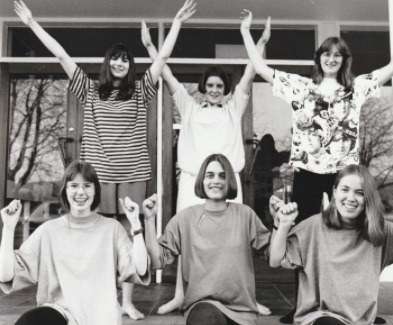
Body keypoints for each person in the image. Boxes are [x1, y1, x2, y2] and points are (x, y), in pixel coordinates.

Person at [14, 0, 196, 319]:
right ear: (107, 63)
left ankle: (125, 300)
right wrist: (31, 23)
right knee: (97, 235)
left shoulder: (142, 91)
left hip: (132, 172)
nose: (120, 63)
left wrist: (177, 23)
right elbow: (61, 55)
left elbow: (164, 57)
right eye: (115, 58)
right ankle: (102, 296)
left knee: (129, 233)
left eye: (125, 59)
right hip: (96, 175)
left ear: (130, 65)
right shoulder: (90, 90)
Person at [240, 2, 393, 322]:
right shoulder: (301, 87)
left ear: (344, 60)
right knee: (302, 238)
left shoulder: (356, 89)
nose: (332, 58)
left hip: (343, 175)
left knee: (354, 236)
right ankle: (303, 306)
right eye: (326, 53)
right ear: (319, 59)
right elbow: (262, 70)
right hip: (307, 173)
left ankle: (358, 307)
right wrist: (247, 35)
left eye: (338, 54)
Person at [141, 17, 272, 315]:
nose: (214, 89)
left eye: (219, 85)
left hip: (227, 183)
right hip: (191, 182)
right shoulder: (188, 106)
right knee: (188, 241)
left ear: (225, 88)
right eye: (210, 85)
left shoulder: (233, 107)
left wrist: (261, 43)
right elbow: (168, 74)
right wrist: (150, 46)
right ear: (203, 87)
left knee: (237, 241)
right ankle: (180, 296)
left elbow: (251, 72)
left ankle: (247, 298)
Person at [269, 165, 393, 325]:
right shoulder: (313, 226)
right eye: (345, 190)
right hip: (318, 318)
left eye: (359, 192)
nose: (350, 198)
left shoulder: (380, 232)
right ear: (335, 192)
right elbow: (275, 260)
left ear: (368, 197)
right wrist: (282, 225)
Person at [0, 161, 152, 325]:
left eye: (87, 185)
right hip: (61, 314)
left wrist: (136, 226)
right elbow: (5, 275)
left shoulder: (112, 229)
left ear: (95, 191)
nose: (81, 192)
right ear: (65, 190)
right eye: (74, 186)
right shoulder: (48, 230)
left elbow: (140, 268)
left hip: (100, 318)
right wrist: (8, 228)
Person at [136, 154, 272, 325]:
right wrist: (149, 220)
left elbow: (273, 257)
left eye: (222, 175)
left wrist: (281, 224)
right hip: (202, 307)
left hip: (242, 312)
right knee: (206, 318)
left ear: (230, 179)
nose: (216, 180)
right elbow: (157, 261)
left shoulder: (245, 215)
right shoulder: (185, 218)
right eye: (210, 175)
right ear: (201, 180)